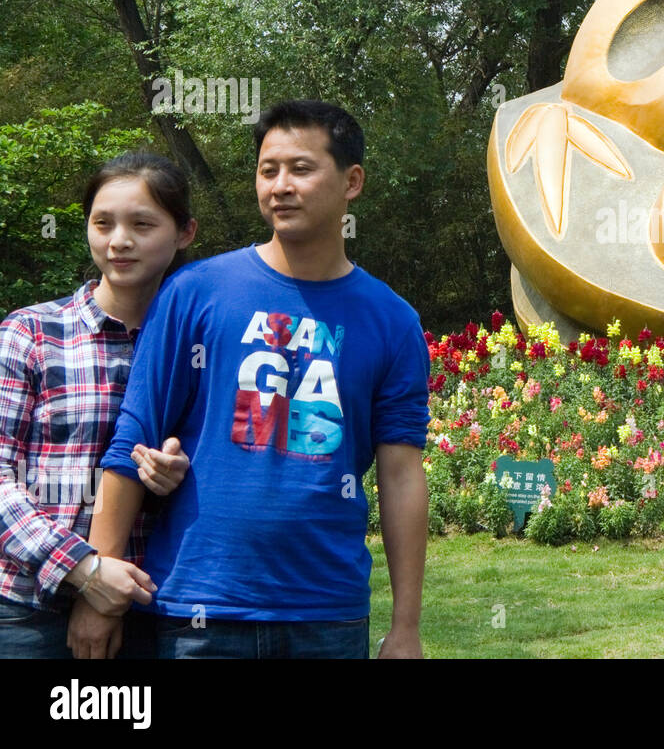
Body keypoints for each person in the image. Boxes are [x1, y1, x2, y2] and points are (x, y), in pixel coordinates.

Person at [78, 100, 430, 659]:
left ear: (352, 181)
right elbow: (135, 437)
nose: (280, 186)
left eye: (301, 169)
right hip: (198, 609)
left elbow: (402, 474)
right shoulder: (197, 292)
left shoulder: (392, 321)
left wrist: (405, 627)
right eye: (268, 171)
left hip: (327, 613)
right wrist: (98, 591)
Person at [0, 152, 197, 659]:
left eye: (142, 224)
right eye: (102, 223)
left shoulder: (198, 346)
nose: (119, 241)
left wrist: (176, 472)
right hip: (28, 608)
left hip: (153, 607)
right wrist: (83, 568)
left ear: (184, 233)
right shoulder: (31, 334)